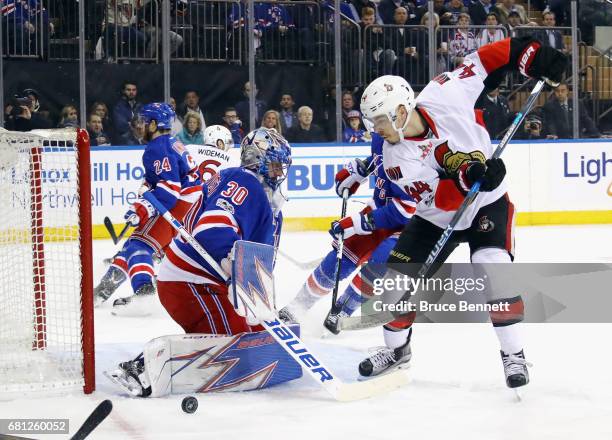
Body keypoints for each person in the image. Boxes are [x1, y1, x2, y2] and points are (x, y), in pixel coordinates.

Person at [342, 37, 566, 387]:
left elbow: (487, 60)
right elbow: (445, 199)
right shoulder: (395, 158)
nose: (377, 131)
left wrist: (532, 55)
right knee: (394, 287)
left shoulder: (444, 93)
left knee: (496, 272)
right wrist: (472, 173)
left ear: (402, 111)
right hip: (437, 217)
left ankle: (513, 355)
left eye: (380, 121)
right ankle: (398, 351)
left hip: (487, 205)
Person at [106, 128, 293, 397]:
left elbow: (260, 262)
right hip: (191, 282)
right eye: (275, 165)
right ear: (256, 159)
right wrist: (232, 270)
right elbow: (211, 229)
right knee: (236, 347)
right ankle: (141, 367)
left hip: (204, 281)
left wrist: (260, 303)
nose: (279, 173)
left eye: (281, 166)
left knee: (256, 335)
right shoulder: (244, 181)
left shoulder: (263, 199)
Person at [279, 130, 415, 334]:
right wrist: (361, 171)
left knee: (379, 264)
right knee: (339, 259)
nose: (377, 126)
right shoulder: (380, 133)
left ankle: (343, 310)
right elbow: (381, 158)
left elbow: (405, 210)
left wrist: (359, 222)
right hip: (379, 208)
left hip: (413, 222)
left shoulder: (415, 143)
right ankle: (298, 307)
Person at [93, 103, 202, 314]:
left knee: (139, 247)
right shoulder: (169, 142)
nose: (139, 126)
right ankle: (104, 290)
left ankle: (144, 295)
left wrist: (141, 210)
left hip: (180, 205)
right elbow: (164, 179)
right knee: (131, 246)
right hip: (190, 204)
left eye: (143, 122)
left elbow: (170, 190)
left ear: (154, 124)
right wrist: (146, 191)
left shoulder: (157, 147)